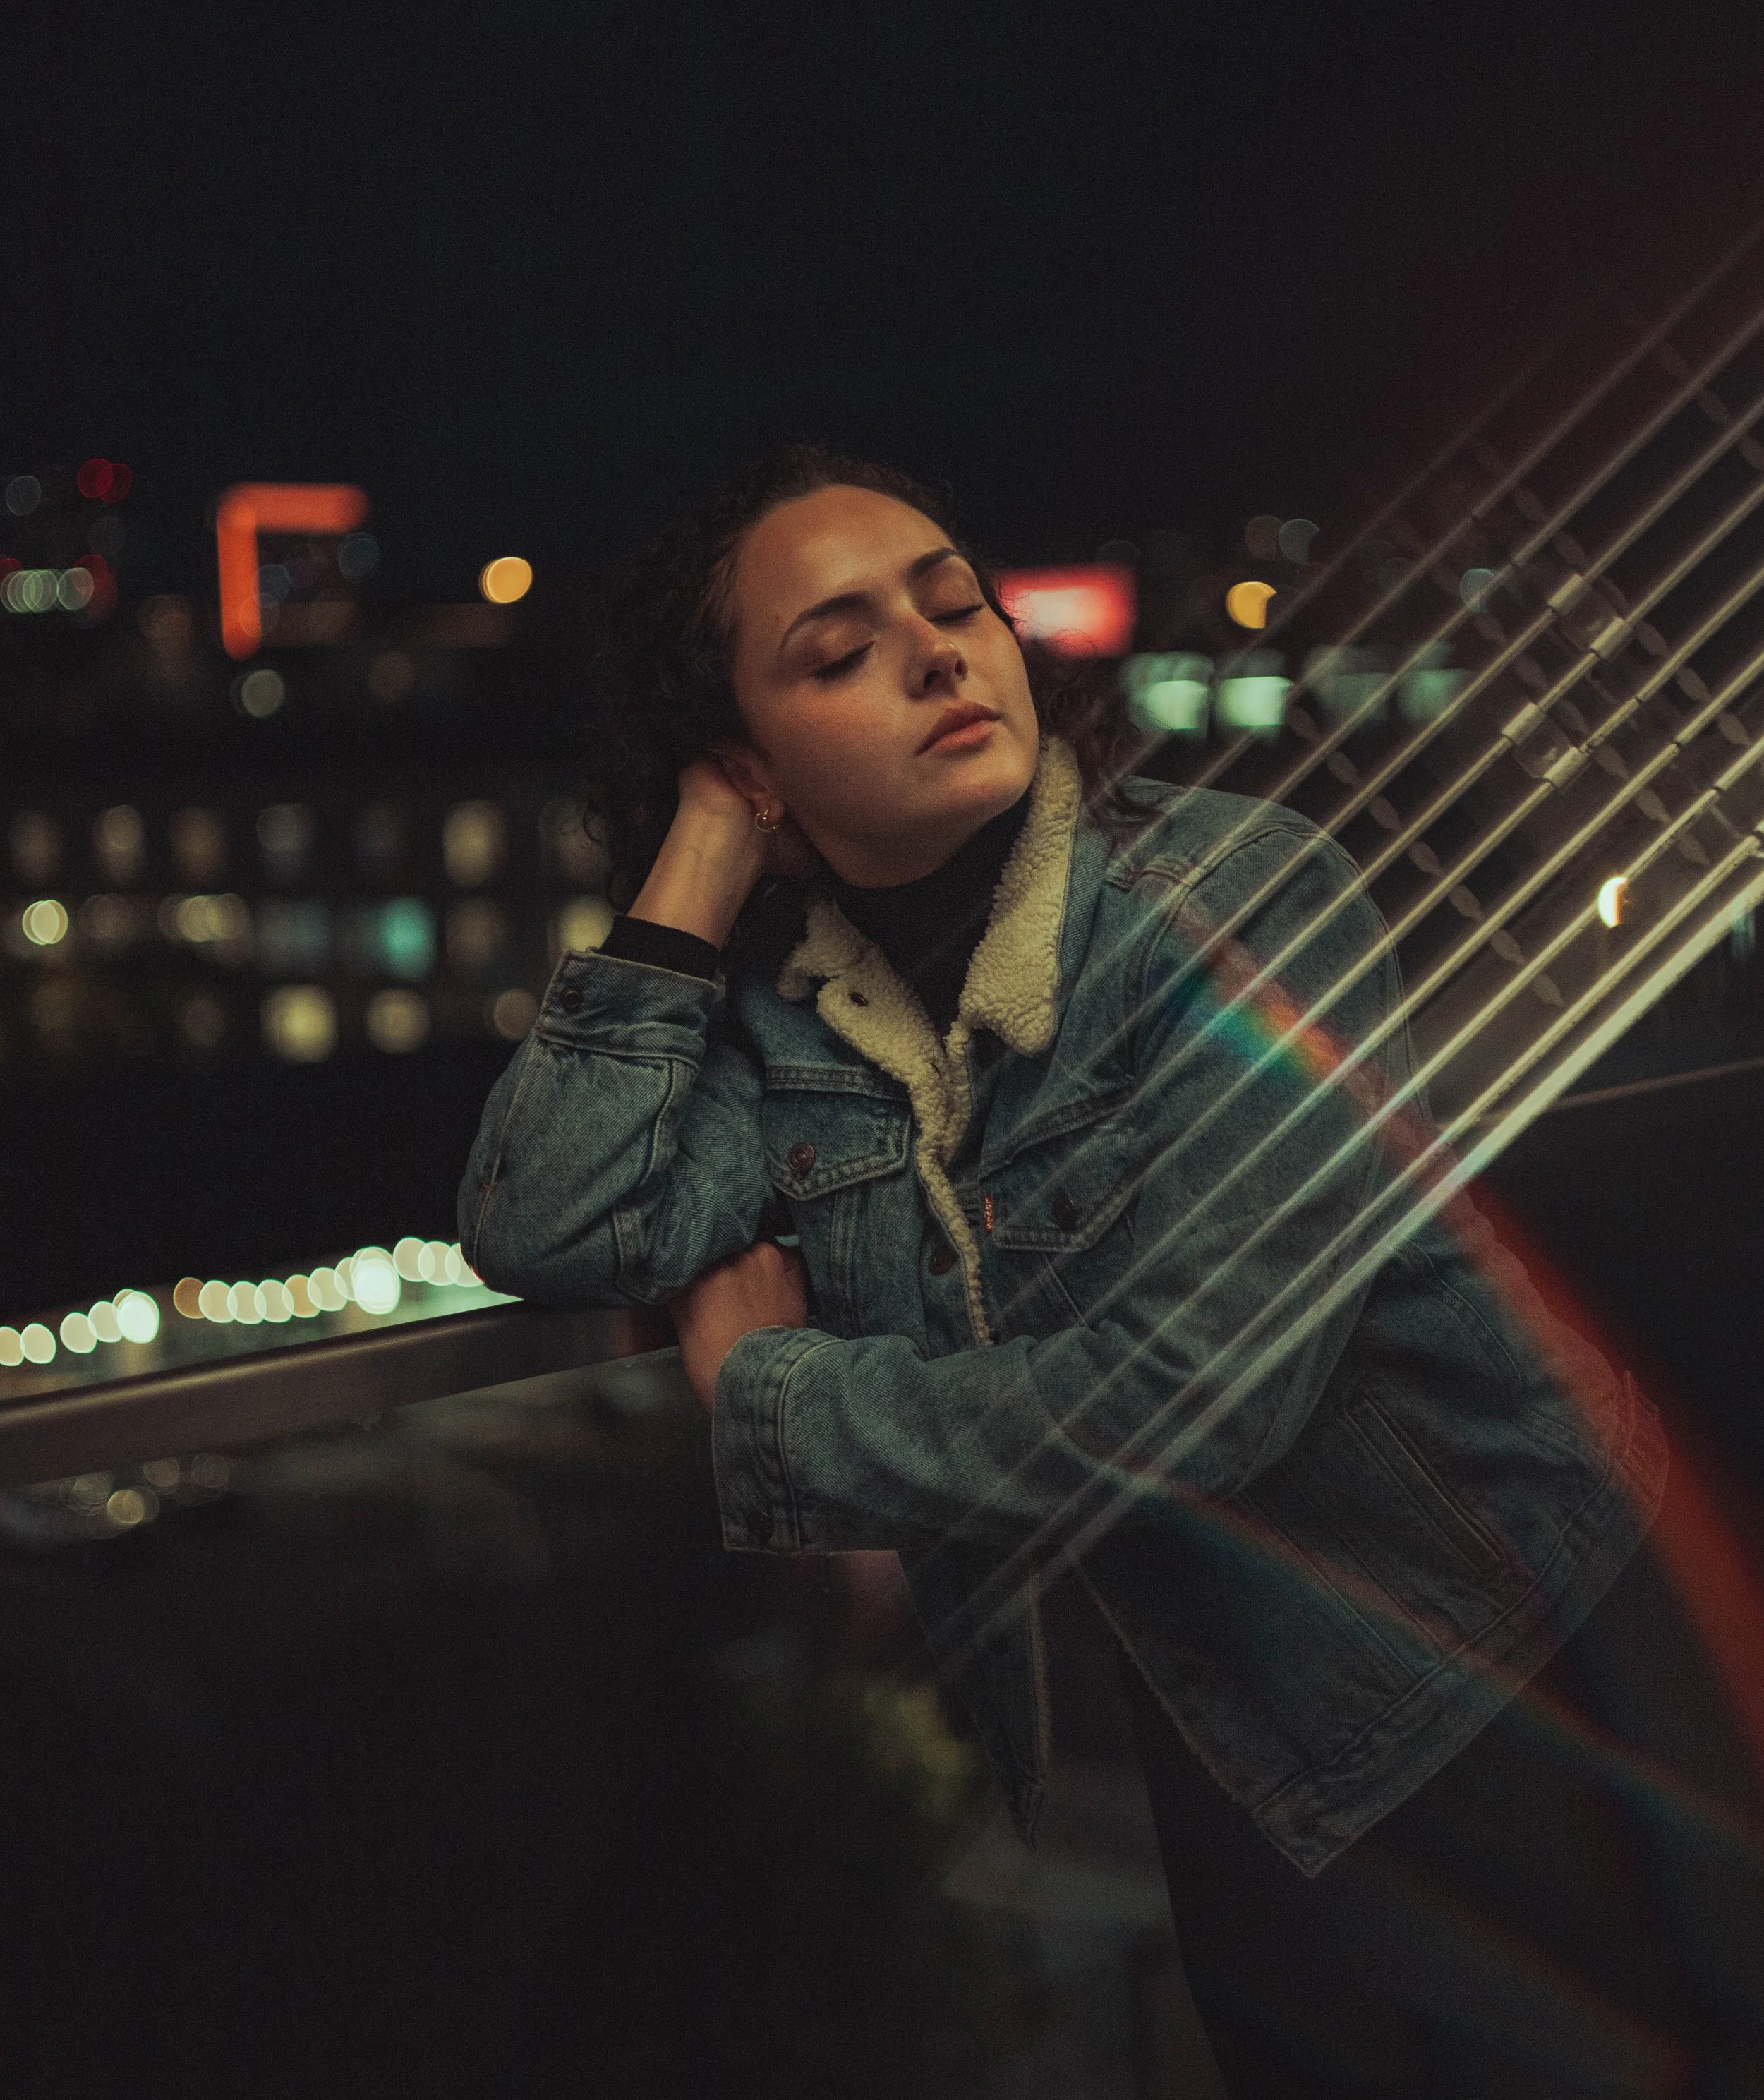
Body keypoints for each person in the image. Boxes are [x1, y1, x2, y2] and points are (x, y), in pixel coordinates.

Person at [460, 445, 1760, 2093]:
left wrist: (784, 1405)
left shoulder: (1227, 899)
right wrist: (702, 855)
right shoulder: (789, 1021)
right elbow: (544, 1216)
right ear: (751, 761)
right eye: (838, 650)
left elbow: (1196, 1391)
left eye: (956, 603)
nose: (941, 650)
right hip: (1234, 1740)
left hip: (1521, 1675)